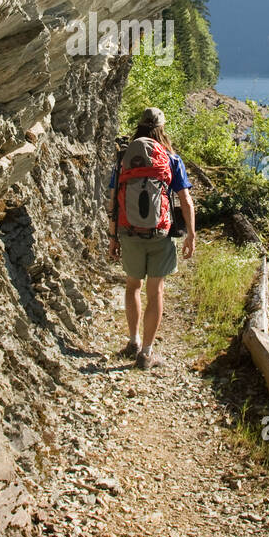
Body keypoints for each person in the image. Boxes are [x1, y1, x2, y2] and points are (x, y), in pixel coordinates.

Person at [106, 106, 195, 371]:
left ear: (140, 126)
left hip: (128, 231)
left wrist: (113, 237)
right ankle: (146, 353)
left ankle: (132, 341)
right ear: (161, 128)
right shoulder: (170, 159)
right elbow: (185, 199)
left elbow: (113, 200)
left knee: (133, 286)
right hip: (160, 233)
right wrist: (191, 233)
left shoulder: (125, 157)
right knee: (155, 291)